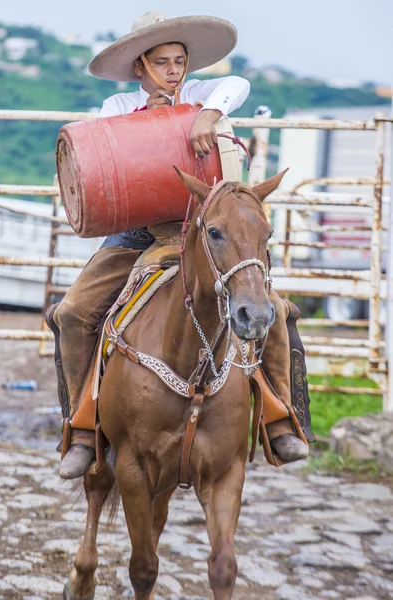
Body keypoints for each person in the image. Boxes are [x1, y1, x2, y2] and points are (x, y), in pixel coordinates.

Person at [48, 11, 312, 479]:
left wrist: (208, 114)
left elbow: (237, 83)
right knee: (73, 312)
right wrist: (149, 125)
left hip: (206, 227)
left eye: (179, 60)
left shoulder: (198, 96)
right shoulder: (117, 107)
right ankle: (83, 431)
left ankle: (280, 418)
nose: (173, 70)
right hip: (136, 232)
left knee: (270, 307)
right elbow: (100, 153)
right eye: (162, 61)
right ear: (140, 66)